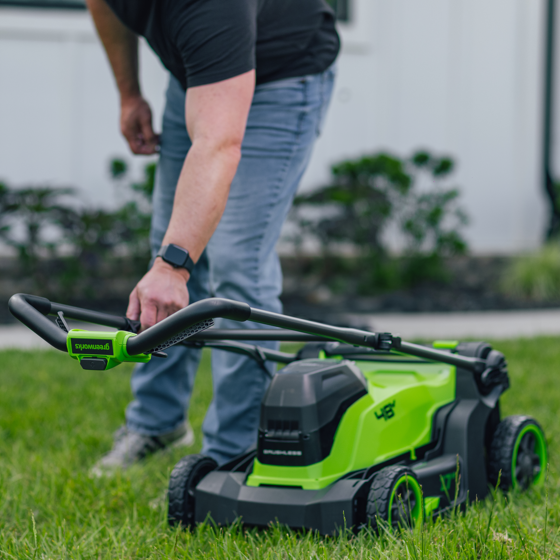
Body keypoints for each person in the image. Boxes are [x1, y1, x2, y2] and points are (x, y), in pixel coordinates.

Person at [86, 0, 339, 473]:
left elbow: (218, 144)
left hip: (282, 75)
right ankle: (157, 422)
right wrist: (129, 93)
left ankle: (233, 456)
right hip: (198, 73)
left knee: (238, 265)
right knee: (168, 248)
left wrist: (174, 265)